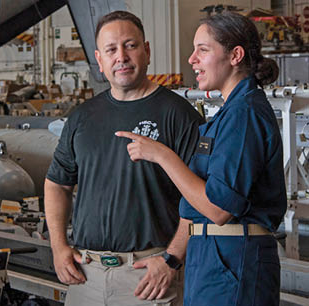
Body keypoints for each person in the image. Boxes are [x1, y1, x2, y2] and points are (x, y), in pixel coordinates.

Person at [116, 12, 287, 306]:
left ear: (235, 55)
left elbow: (219, 208)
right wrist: (171, 258)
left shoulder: (244, 114)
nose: (192, 59)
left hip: (233, 260)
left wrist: (163, 155)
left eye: (202, 50)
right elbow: (198, 203)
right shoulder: (228, 113)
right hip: (212, 256)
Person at [44, 10, 203, 306]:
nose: (121, 56)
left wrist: (172, 259)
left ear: (147, 51)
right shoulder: (82, 118)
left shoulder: (179, 116)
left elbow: (201, 197)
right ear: (99, 60)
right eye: (111, 49)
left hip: (148, 278)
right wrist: (58, 246)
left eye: (130, 45)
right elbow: (57, 184)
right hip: (85, 274)